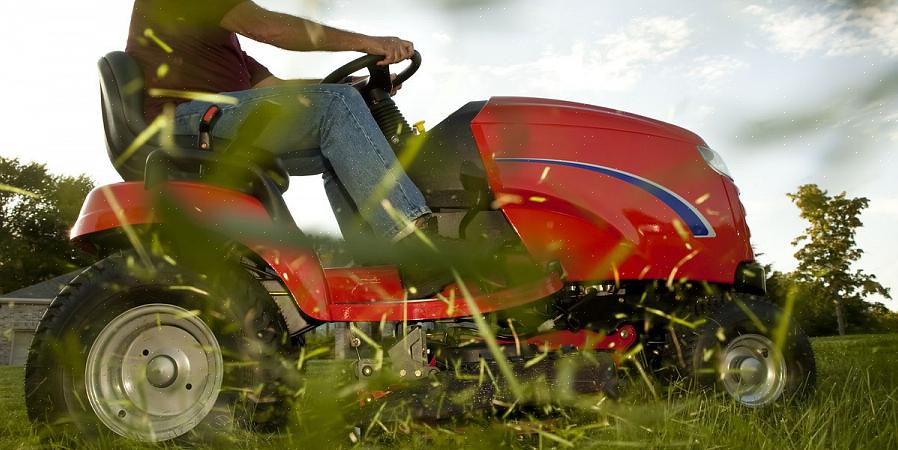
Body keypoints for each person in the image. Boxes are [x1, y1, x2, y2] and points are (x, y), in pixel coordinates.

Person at [126, 0, 437, 246]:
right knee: (337, 106)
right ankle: (409, 235)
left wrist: (357, 83)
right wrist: (368, 43)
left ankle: (374, 255)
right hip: (185, 122)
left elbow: (276, 89)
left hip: (216, 121)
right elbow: (268, 27)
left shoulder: (215, 42)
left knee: (339, 134)